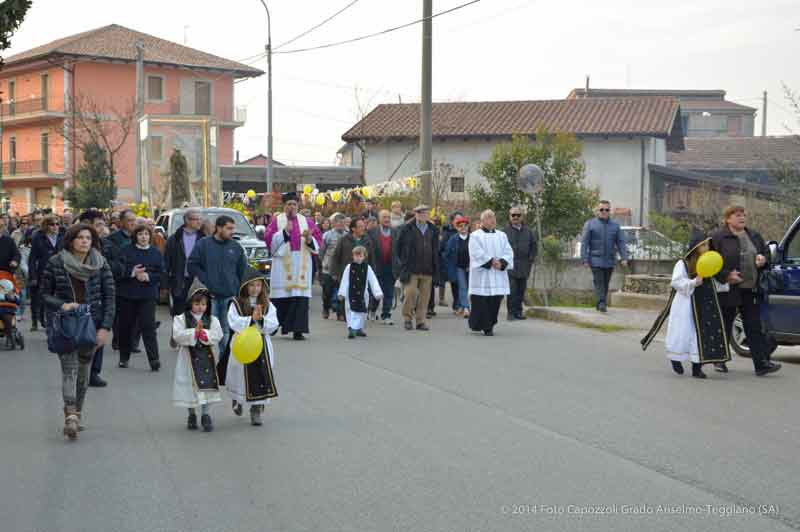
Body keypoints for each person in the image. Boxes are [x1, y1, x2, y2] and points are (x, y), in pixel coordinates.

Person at [40, 224, 115, 440]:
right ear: (71, 240)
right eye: (80, 237)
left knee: (84, 374)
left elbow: (110, 298)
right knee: (70, 369)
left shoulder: (101, 264)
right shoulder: (57, 263)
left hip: (92, 326)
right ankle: (71, 415)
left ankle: (76, 413)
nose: (84, 241)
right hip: (66, 325)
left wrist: (105, 328)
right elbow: (44, 294)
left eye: (88, 238)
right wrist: (62, 305)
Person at [641, 236, 731, 379]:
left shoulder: (709, 262)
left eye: (707, 245)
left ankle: (697, 368)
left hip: (704, 305)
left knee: (700, 335)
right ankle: (676, 358)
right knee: (683, 333)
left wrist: (726, 283)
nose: (706, 248)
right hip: (685, 305)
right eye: (703, 246)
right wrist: (694, 282)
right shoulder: (683, 263)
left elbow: (714, 283)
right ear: (695, 248)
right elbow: (676, 282)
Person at [710, 205, 781, 376]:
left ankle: (761, 364)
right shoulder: (718, 237)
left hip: (750, 288)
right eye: (737, 215)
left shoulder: (754, 235)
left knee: (754, 327)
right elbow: (709, 262)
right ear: (728, 219)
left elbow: (765, 253)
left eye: (743, 214)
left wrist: (763, 259)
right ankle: (719, 360)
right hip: (728, 289)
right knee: (725, 324)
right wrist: (726, 275)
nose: (742, 217)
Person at [263, 192, 322, 340]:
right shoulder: (277, 221)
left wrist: (309, 239)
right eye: (289, 204)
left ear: (298, 206)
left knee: (300, 297)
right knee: (281, 298)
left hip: (302, 263)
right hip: (283, 263)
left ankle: (298, 330)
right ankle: (274, 325)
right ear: (284, 206)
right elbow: (269, 241)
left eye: (294, 204)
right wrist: (284, 232)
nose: (291, 207)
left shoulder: (307, 221)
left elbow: (317, 241)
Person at [224, 268, 279, 426]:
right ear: (245, 287)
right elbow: (232, 321)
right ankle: (237, 400)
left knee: (261, 376)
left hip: (261, 346)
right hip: (242, 344)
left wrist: (261, 321)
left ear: (263, 287)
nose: (255, 289)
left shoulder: (268, 305)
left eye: (258, 285)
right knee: (238, 374)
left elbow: (274, 323)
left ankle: (256, 409)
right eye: (252, 285)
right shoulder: (237, 303)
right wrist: (250, 319)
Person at [188, 215, 248, 354]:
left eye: (233, 228)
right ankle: (206, 363)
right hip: (209, 298)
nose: (232, 231)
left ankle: (223, 363)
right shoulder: (203, 244)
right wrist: (205, 279)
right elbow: (192, 265)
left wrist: (238, 291)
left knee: (226, 331)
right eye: (229, 228)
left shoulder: (236, 247)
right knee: (206, 330)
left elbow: (242, 271)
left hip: (229, 296)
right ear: (219, 228)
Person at [172, 279, 223, 432]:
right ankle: (191, 414)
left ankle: (206, 414)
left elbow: (218, 334)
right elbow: (177, 335)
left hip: (207, 359)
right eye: (197, 304)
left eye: (203, 304)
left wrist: (205, 334)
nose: (200, 308)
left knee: (207, 388)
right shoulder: (180, 319)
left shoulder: (213, 319)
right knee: (189, 388)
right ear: (190, 303)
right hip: (188, 359)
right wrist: (193, 332)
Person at [77, 209, 120, 388]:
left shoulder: (106, 246)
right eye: (99, 224)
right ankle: (78, 373)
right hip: (76, 305)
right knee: (79, 341)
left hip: (97, 301)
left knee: (97, 338)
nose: (103, 228)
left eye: (103, 224)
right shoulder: (69, 250)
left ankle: (94, 373)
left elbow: (119, 265)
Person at [117, 224, 163, 371]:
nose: (144, 237)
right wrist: (132, 272)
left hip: (147, 295)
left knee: (148, 327)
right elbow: (117, 269)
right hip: (127, 294)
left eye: (146, 234)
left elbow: (162, 273)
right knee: (126, 327)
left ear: (150, 236)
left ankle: (154, 360)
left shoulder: (156, 252)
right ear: (135, 236)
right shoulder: (125, 250)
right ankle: (124, 357)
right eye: (140, 234)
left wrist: (148, 276)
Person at [468, 210, 514, 336]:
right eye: (488, 217)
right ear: (482, 221)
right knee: (481, 301)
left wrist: (502, 263)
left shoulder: (502, 235)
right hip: (482, 275)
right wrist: (491, 261)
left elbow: (508, 252)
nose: (492, 220)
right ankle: (483, 325)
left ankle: (490, 324)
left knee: (495, 300)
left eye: (493, 217)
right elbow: (475, 253)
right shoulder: (475, 236)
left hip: (497, 274)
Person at [164, 209, 206, 348]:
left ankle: (192, 336)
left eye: (200, 219)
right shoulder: (175, 239)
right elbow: (166, 262)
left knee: (196, 308)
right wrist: (165, 283)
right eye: (196, 219)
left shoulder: (203, 238)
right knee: (179, 310)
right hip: (180, 279)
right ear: (187, 220)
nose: (199, 222)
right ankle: (176, 334)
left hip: (197, 279)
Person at [396, 205, 439, 331]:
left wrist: (436, 266)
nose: (423, 215)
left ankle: (420, 321)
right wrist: (403, 262)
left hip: (428, 268)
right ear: (416, 214)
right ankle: (407, 319)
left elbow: (436, 249)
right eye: (420, 213)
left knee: (425, 298)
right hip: (411, 268)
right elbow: (398, 247)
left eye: (425, 213)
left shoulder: (433, 229)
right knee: (410, 293)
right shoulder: (406, 228)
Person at [580, 200, 628, 313]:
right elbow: (584, 242)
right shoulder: (590, 224)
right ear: (597, 211)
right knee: (599, 281)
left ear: (609, 211)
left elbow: (621, 242)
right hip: (595, 259)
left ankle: (600, 303)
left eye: (607, 209)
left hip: (610, 260)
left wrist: (624, 257)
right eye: (602, 209)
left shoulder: (615, 226)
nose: (604, 212)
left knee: (605, 283)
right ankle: (602, 303)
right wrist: (584, 258)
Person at [338, 246, 383, 339]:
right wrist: (342, 293)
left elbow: (373, 280)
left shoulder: (367, 268)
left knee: (362, 312)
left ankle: (359, 328)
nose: (358, 258)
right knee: (351, 311)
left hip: (363, 294)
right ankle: (351, 328)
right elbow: (345, 280)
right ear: (353, 256)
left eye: (360, 256)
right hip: (351, 293)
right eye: (356, 255)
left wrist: (377, 292)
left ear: (364, 256)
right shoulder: (349, 267)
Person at [503, 206, 538, 321]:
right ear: (509, 217)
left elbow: (534, 246)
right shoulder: (504, 232)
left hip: (524, 265)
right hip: (510, 265)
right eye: (513, 215)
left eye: (518, 215)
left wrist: (530, 259)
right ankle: (511, 313)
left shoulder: (529, 231)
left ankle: (518, 312)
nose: (516, 217)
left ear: (522, 217)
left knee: (521, 290)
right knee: (512, 290)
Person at [367, 210, 398, 325]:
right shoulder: (372, 232)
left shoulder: (395, 232)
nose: (387, 219)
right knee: (376, 292)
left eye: (389, 217)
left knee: (389, 292)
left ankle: (386, 315)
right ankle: (372, 310)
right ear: (379, 219)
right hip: (377, 266)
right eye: (384, 217)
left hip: (390, 267)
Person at [27, 215, 57, 331]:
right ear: (46, 226)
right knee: (36, 298)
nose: (55, 227)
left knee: (52, 298)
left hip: (56, 272)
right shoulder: (38, 237)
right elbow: (32, 259)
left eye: (57, 224)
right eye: (52, 224)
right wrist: (33, 276)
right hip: (41, 272)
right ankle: (35, 321)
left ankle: (48, 321)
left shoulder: (61, 237)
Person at [331, 218, 376, 294]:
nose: (363, 228)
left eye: (363, 226)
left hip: (362, 275)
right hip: (347, 275)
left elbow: (371, 258)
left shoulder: (368, 240)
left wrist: (373, 273)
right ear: (353, 228)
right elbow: (336, 256)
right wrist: (335, 273)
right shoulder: (344, 240)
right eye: (360, 227)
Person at [320, 214, 347, 320]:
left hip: (342, 269)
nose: (341, 224)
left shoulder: (347, 235)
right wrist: (323, 263)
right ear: (334, 223)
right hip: (328, 268)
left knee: (342, 291)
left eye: (343, 222)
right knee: (327, 291)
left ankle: (340, 313)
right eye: (339, 222)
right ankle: (326, 308)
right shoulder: (327, 235)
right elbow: (322, 251)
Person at [445, 216, 471, 318]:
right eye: (460, 226)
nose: (463, 228)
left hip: (471, 268)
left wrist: (471, 265)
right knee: (463, 287)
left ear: (468, 226)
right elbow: (447, 254)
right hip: (459, 267)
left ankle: (460, 306)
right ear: (457, 227)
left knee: (468, 288)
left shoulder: (473, 238)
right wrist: (450, 266)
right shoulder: (453, 239)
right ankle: (466, 308)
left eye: (465, 226)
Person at [438, 212, 461, 309]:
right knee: (455, 284)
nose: (459, 221)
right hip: (451, 263)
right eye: (457, 219)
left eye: (461, 219)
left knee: (461, 284)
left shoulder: (465, 230)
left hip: (462, 262)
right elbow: (441, 248)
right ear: (452, 221)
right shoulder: (447, 232)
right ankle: (456, 304)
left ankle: (459, 304)